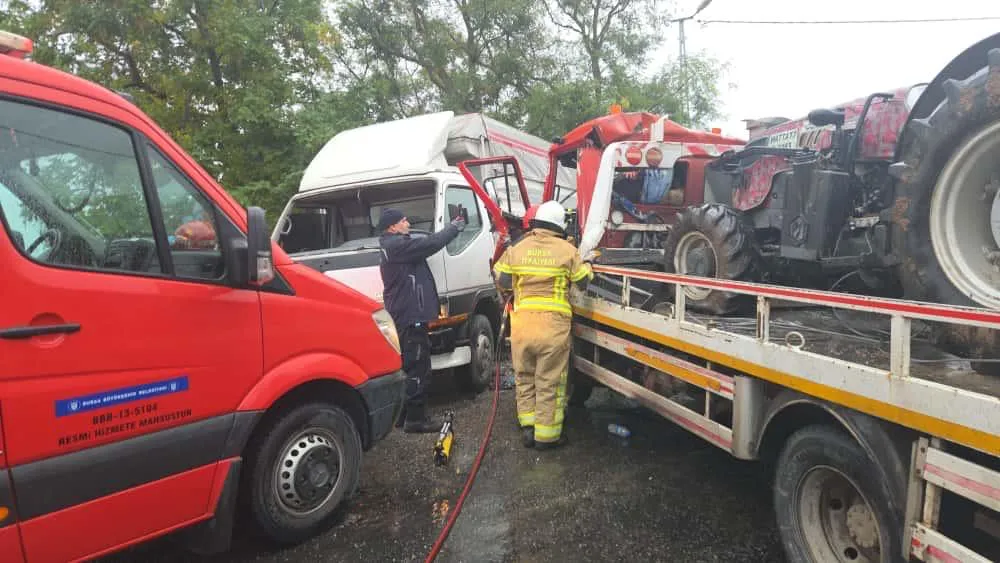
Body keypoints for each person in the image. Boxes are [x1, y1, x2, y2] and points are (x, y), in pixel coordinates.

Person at [493, 200, 593, 450]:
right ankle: (546, 437)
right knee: (549, 381)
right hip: (553, 327)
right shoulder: (567, 250)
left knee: (524, 375)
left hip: (523, 325)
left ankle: (528, 426)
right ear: (560, 226)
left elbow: (503, 279)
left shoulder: (518, 248)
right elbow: (583, 283)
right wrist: (589, 266)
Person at [378, 208, 465, 433]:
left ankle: (403, 415)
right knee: (418, 366)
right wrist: (453, 229)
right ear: (392, 227)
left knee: (409, 364)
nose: (407, 223)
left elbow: (426, 242)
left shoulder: (395, 246)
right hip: (410, 315)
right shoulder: (397, 246)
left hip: (406, 314)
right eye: (403, 220)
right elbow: (430, 244)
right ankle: (415, 420)